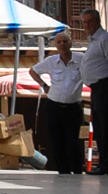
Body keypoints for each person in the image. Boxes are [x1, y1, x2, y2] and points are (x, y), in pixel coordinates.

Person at [30, 33, 86, 176]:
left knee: (73, 142)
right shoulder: (51, 61)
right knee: (57, 141)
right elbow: (33, 71)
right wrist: (43, 85)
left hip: (73, 107)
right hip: (54, 106)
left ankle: (77, 171)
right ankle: (63, 172)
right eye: (59, 42)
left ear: (70, 43)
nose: (62, 44)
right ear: (55, 45)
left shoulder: (81, 59)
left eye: (65, 41)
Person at [80, 10, 108, 175]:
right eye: (84, 22)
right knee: (99, 126)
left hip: (106, 86)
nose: (87, 25)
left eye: (90, 21)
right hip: (97, 88)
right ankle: (104, 163)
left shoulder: (105, 39)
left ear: (98, 21)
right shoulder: (93, 41)